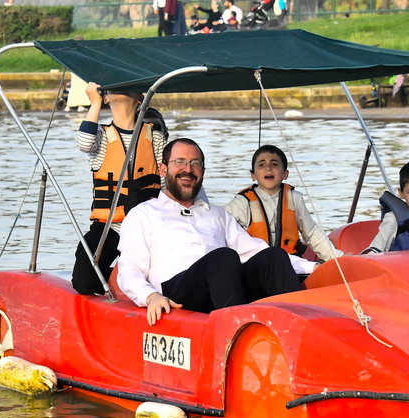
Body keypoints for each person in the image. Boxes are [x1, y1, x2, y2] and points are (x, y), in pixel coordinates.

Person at [116, 138, 312, 325]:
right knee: (223, 258)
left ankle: (302, 326)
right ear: (163, 169)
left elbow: (254, 251)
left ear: (203, 171)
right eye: (180, 162)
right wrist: (150, 296)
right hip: (177, 296)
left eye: (195, 163)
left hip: (224, 288)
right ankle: (235, 333)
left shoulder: (217, 214)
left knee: (273, 256)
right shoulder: (143, 214)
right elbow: (129, 270)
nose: (188, 169)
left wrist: (314, 267)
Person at [71, 84, 167, 295]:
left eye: (127, 86)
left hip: (147, 226)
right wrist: (94, 102)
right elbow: (84, 143)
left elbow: (165, 181)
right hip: (110, 226)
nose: (119, 89)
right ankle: (122, 281)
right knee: (84, 281)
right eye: (113, 88)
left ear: (141, 98)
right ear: (106, 98)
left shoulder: (154, 137)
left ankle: (142, 282)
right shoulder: (101, 136)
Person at [224, 145, 340, 263]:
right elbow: (221, 224)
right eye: (261, 165)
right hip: (256, 265)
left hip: (291, 263)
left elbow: (311, 233)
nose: (268, 168)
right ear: (253, 175)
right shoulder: (242, 202)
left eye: (274, 164)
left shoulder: (294, 198)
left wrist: (338, 258)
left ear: (285, 174)